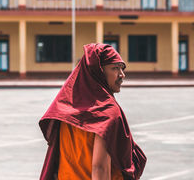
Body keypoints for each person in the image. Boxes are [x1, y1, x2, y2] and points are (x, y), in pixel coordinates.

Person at [39, 43, 147, 180]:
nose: (122, 75)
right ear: (98, 72)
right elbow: (99, 168)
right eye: (115, 68)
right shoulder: (106, 113)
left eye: (122, 68)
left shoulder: (65, 108)